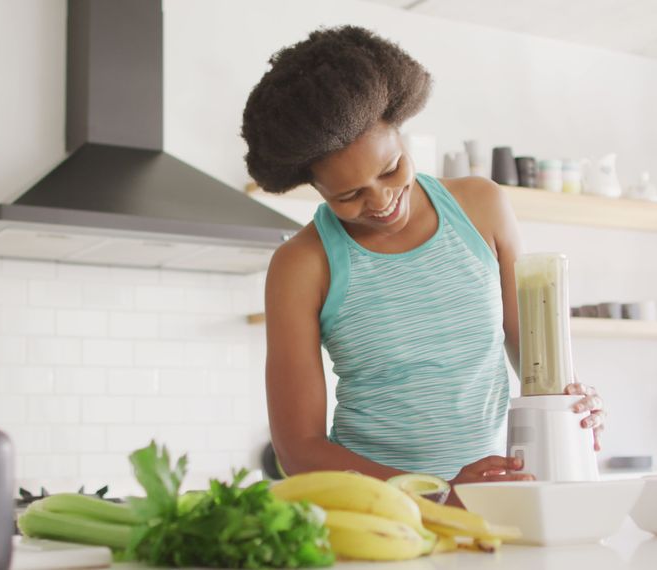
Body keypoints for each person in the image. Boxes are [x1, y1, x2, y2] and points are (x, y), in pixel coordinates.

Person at [241, 26, 605, 497]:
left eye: (391, 169)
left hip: (491, 500)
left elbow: (534, 355)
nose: (382, 201)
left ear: (403, 135)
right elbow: (298, 450)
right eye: (349, 195)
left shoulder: (480, 206)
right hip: (373, 512)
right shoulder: (302, 264)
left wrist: (573, 398)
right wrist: (436, 491)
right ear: (314, 186)